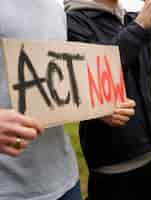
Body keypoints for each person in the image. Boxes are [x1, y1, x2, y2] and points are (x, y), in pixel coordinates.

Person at [0, 1, 134, 199]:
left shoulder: (56, 8)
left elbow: (57, 83)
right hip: (10, 190)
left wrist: (97, 107)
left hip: (65, 181)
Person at [65, 0, 151, 199]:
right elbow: (91, 73)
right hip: (114, 171)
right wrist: (139, 27)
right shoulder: (72, 22)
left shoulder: (131, 18)